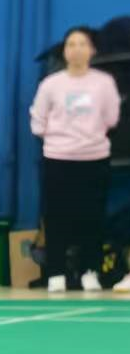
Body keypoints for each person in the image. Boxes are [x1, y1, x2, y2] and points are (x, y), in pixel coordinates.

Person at [30, 26, 121, 293]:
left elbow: (111, 117)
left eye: (82, 44)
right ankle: (56, 273)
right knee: (57, 217)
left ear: (92, 50)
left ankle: (90, 271)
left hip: (94, 159)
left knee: (92, 217)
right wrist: (58, 138)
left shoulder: (103, 83)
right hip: (58, 158)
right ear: (64, 50)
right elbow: (38, 119)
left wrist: (89, 137)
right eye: (71, 44)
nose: (76, 49)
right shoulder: (51, 84)